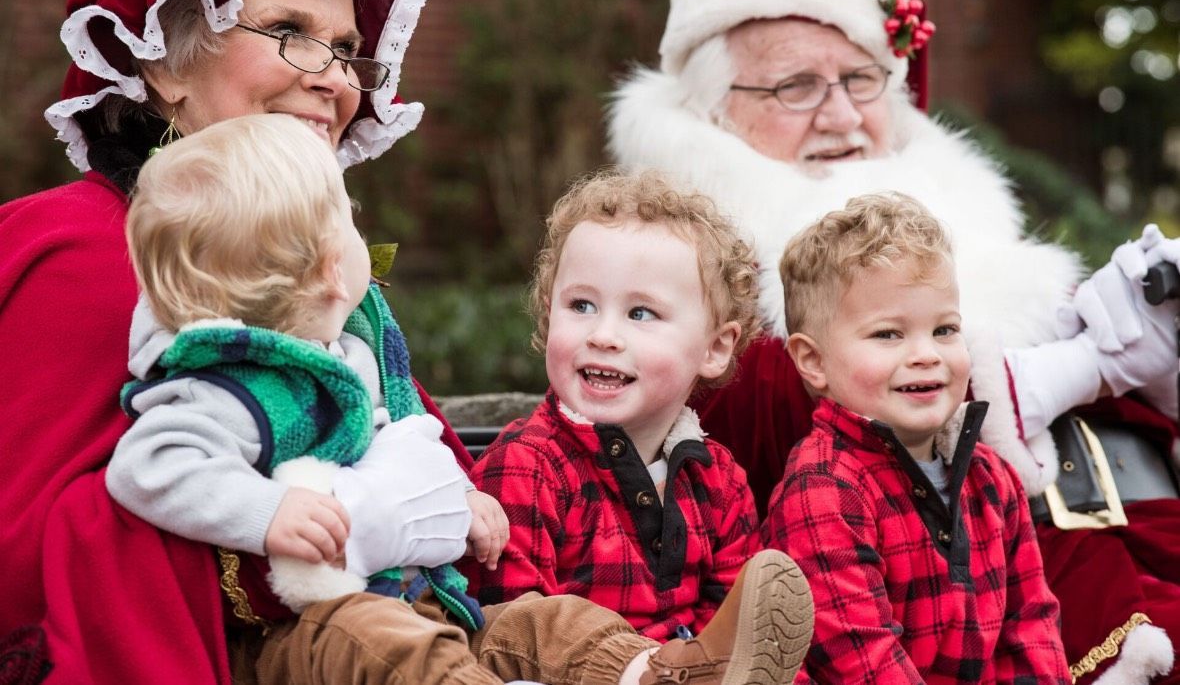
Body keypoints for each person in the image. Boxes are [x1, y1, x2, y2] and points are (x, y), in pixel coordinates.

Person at [607, 0, 1179, 684]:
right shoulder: (684, 264)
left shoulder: (967, 225)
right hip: (940, 607)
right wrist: (1060, 368)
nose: (841, 115)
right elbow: (764, 406)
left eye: (862, 79)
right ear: (713, 115)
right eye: (795, 87)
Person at [104, 112, 809, 685]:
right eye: (347, 221)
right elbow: (148, 464)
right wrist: (267, 512)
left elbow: (396, 447)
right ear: (328, 269)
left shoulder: (345, 358)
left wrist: (454, 499)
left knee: (545, 623)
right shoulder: (225, 384)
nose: (604, 337)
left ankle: (667, 674)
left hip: (429, 607)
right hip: (307, 635)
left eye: (639, 315)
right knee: (380, 639)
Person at [0, 0, 470, 682]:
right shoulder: (76, 253)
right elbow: (42, 559)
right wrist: (325, 533)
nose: (333, 80)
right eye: (289, 32)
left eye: (347, 49)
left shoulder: (313, 260)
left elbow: (435, 477)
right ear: (162, 62)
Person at [466, 171, 812, 648]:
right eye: (581, 305)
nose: (603, 335)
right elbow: (510, 637)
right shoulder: (526, 469)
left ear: (715, 348)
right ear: (549, 315)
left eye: (640, 314)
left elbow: (732, 630)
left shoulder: (721, 483)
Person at [762, 191, 1069, 683]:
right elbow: (863, 663)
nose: (927, 354)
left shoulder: (992, 480)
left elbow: (1030, 626)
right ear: (813, 361)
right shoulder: (824, 492)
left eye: (945, 329)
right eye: (888, 334)